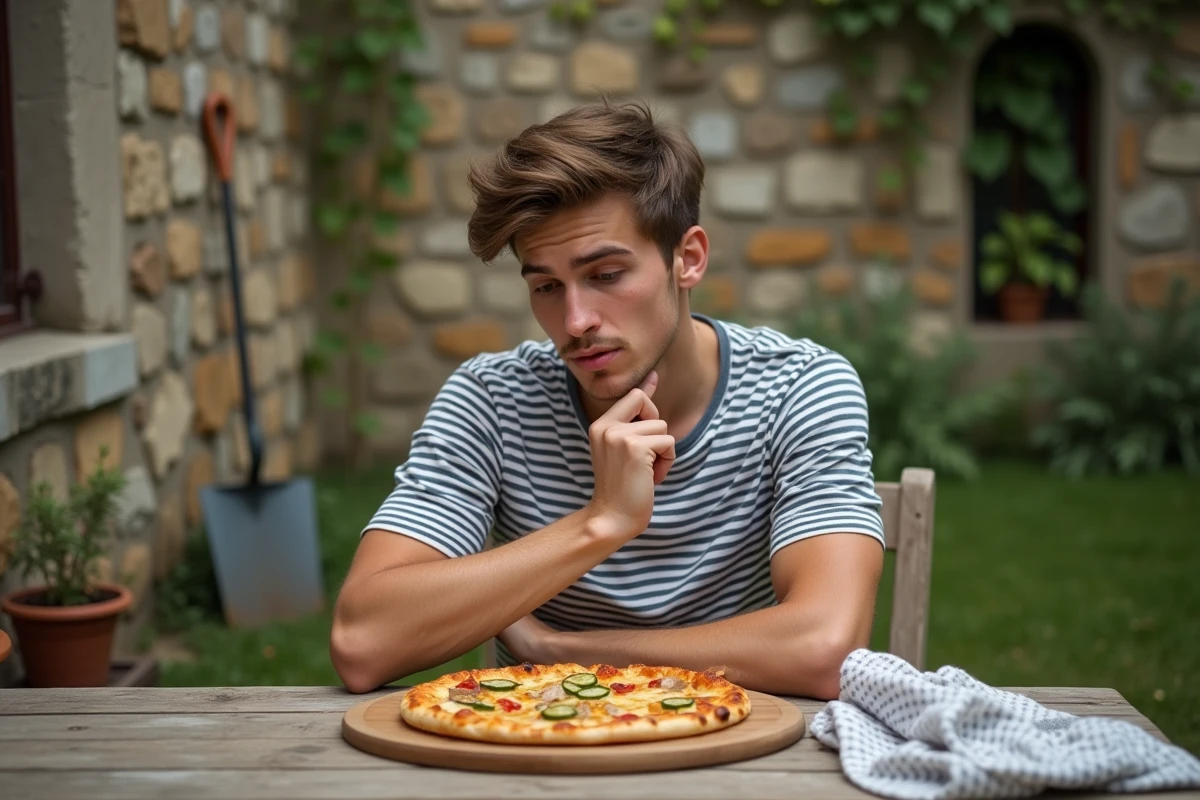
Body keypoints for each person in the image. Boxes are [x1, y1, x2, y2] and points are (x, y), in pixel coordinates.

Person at [330, 100, 885, 699]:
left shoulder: (798, 389)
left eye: (606, 275)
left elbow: (825, 648)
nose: (575, 321)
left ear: (688, 259)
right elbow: (363, 642)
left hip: (740, 739)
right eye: (547, 285)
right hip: (541, 744)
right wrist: (603, 521)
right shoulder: (491, 401)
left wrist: (560, 650)